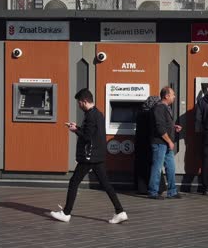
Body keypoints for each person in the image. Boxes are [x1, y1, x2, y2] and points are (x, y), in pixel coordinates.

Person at [50, 88, 128, 224]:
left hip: (89, 156)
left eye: (79, 103)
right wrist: (78, 128)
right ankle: (120, 211)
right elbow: (90, 133)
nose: (79, 106)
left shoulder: (91, 116)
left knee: (73, 182)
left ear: (84, 101)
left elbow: (87, 137)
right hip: (98, 156)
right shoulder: (98, 113)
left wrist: (75, 130)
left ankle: (66, 213)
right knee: (106, 184)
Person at [147, 86, 183, 199]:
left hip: (166, 143)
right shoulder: (159, 108)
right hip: (160, 143)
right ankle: (153, 192)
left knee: (171, 166)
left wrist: (173, 127)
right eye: (172, 94)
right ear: (166, 96)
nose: (174, 96)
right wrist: (169, 141)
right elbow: (159, 127)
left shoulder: (165, 108)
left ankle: (172, 191)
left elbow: (164, 124)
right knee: (157, 167)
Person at [134, 96, 167, 195]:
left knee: (141, 166)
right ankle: (157, 187)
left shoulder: (140, 113)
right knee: (154, 165)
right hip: (149, 142)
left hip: (140, 143)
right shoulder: (151, 114)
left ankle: (142, 188)